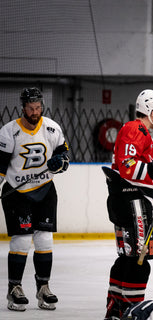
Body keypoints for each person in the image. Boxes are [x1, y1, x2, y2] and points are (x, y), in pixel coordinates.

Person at [103, 89, 153, 319]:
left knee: (127, 260)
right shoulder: (134, 128)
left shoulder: (141, 133)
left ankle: (116, 310)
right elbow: (128, 166)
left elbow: (143, 169)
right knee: (139, 262)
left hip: (127, 199)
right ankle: (131, 312)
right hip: (132, 202)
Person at [0, 87, 69, 311]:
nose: (35, 111)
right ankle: (14, 289)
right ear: (23, 108)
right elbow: (1, 167)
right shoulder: (9, 132)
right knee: (21, 240)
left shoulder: (51, 128)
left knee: (45, 240)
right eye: (30, 108)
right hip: (17, 193)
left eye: (38, 107)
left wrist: (59, 163)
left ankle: (43, 288)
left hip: (45, 189)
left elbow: (64, 157)